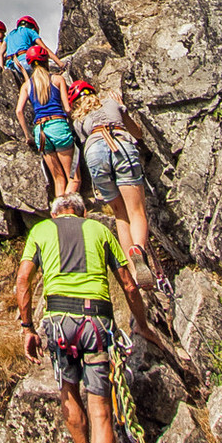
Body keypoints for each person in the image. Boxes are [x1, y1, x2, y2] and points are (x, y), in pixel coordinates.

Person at [16, 193, 164, 443]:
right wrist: (143, 325)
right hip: (96, 322)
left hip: (59, 323)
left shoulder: (41, 231)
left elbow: (23, 281)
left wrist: (28, 328)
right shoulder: (100, 231)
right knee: (101, 411)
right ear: (83, 213)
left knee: (69, 392)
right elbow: (127, 283)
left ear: (56, 213)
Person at [68, 80, 155, 288]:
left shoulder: (79, 120)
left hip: (94, 151)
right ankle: (139, 249)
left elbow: (81, 143)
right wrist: (121, 107)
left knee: (119, 213)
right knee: (136, 211)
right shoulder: (111, 102)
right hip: (119, 143)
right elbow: (138, 132)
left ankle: (134, 272)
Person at [15, 45, 79, 196]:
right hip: (57, 125)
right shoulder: (57, 79)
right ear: (46, 61)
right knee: (74, 179)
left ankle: (58, 214)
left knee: (58, 180)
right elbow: (68, 108)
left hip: (40, 131)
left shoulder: (27, 86)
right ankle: (67, 211)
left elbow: (19, 111)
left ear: (30, 64)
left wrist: (28, 136)